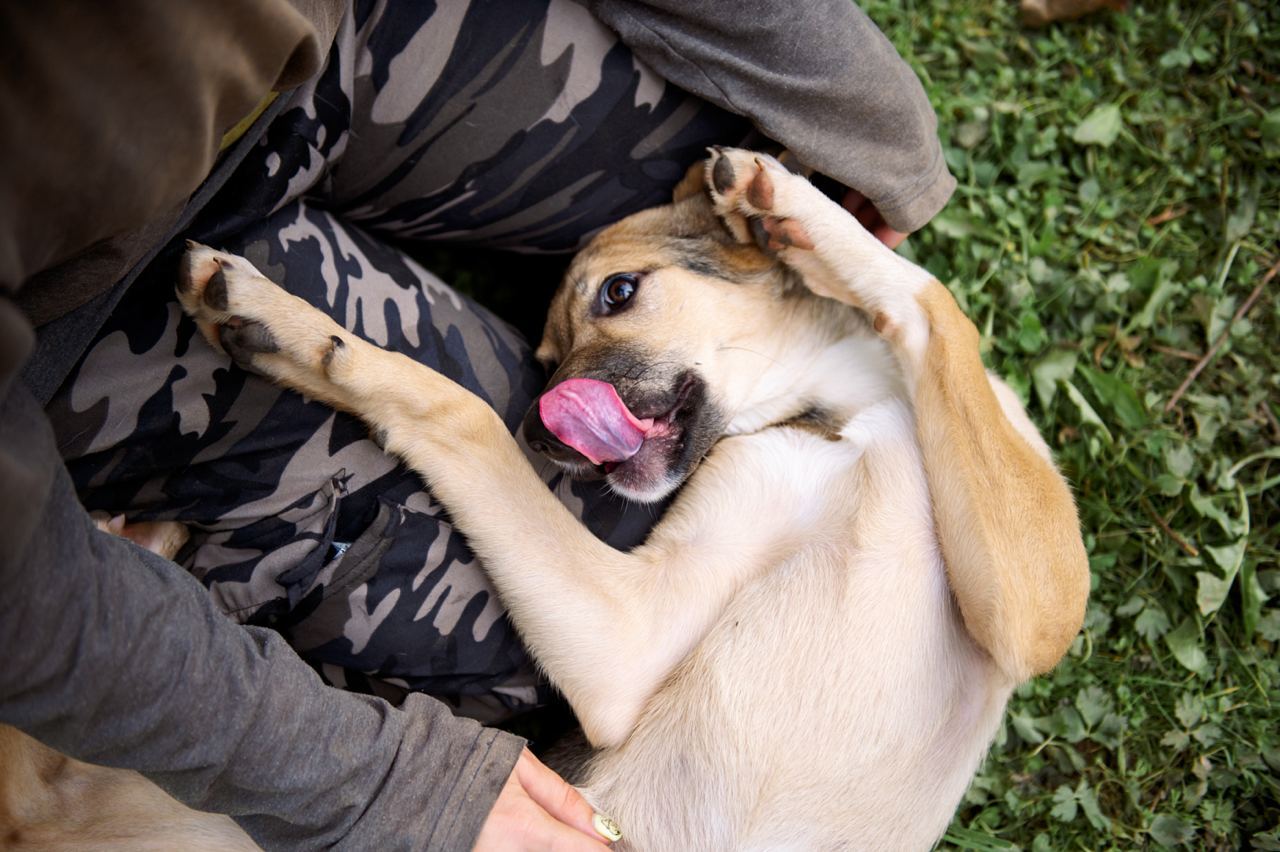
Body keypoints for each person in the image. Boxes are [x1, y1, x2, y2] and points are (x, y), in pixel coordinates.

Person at [0, 0, 955, 847]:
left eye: (619, 298)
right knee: (577, 577)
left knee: (710, 144)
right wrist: (386, 788)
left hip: (325, 38)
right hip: (77, 305)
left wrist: (872, 127)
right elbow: (22, 606)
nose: (560, 412)